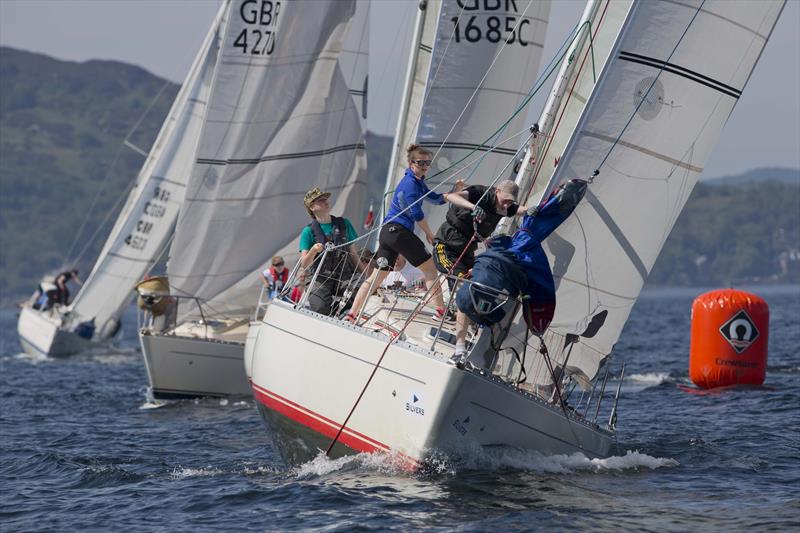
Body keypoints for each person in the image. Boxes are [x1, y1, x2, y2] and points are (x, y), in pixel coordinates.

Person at [451, 179, 589, 367]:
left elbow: (523, 211)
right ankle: (462, 346)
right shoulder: (480, 192)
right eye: (504, 199)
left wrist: (533, 210)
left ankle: (480, 351)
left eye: (510, 201)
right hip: (451, 245)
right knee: (466, 294)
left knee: (475, 294)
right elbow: (447, 196)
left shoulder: (510, 212)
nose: (506, 204)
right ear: (497, 190)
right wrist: (474, 207)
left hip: (485, 261)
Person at [347, 144, 472, 322]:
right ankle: (441, 312)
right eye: (420, 162)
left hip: (388, 233)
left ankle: (351, 314)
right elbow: (416, 213)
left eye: (428, 163)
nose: (425, 166)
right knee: (430, 269)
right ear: (411, 163)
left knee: (377, 277)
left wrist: (455, 191)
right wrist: (429, 233)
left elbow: (436, 199)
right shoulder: (410, 184)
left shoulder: (418, 183)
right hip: (399, 232)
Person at [298, 187, 366, 316]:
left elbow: (353, 254)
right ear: (312, 207)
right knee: (320, 308)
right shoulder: (308, 231)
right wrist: (313, 250)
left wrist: (366, 276)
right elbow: (304, 264)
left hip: (344, 275)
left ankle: (341, 312)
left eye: (326, 199)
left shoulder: (344, 224)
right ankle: (331, 312)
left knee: (362, 289)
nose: (326, 201)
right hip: (320, 277)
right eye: (320, 200)